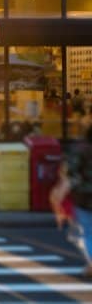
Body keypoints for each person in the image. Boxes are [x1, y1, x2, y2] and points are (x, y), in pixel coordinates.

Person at [63, 113, 92, 277]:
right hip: (84, 195)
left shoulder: (80, 149)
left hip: (84, 196)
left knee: (87, 231)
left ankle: (91, 264)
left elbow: (72, 173)